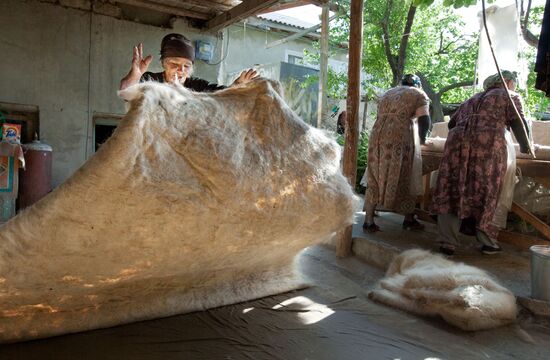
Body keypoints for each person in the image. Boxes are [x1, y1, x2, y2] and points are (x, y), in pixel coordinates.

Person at [431, 70, 533, 256]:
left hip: (456, 144)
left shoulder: (472, 99)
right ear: (508, 81)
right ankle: (487, 242)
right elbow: (519, 123)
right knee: (487, 188)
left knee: (453, 187)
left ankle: (448, 243)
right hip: (487, 144)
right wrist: (527, 147)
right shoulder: (509, 95)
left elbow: (451, 124)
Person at [361, 74, 431, 232]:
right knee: (406, 174)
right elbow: (424, 119)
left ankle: (368, 220)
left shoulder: (388, 93)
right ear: (417, 85)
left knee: (374, 175)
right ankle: (408, 219)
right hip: (399, 136)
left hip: (377, 136)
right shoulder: (418, 94)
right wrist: (423, 138)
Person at [120, 33, 258, 91]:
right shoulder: (149, 79)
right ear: (164, 64)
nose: (181, 70)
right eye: (174, 64)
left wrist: (237, 86)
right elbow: (125, 91)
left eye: (186, 66)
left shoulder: (196, 86)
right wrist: (135, 74)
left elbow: (221, 96)